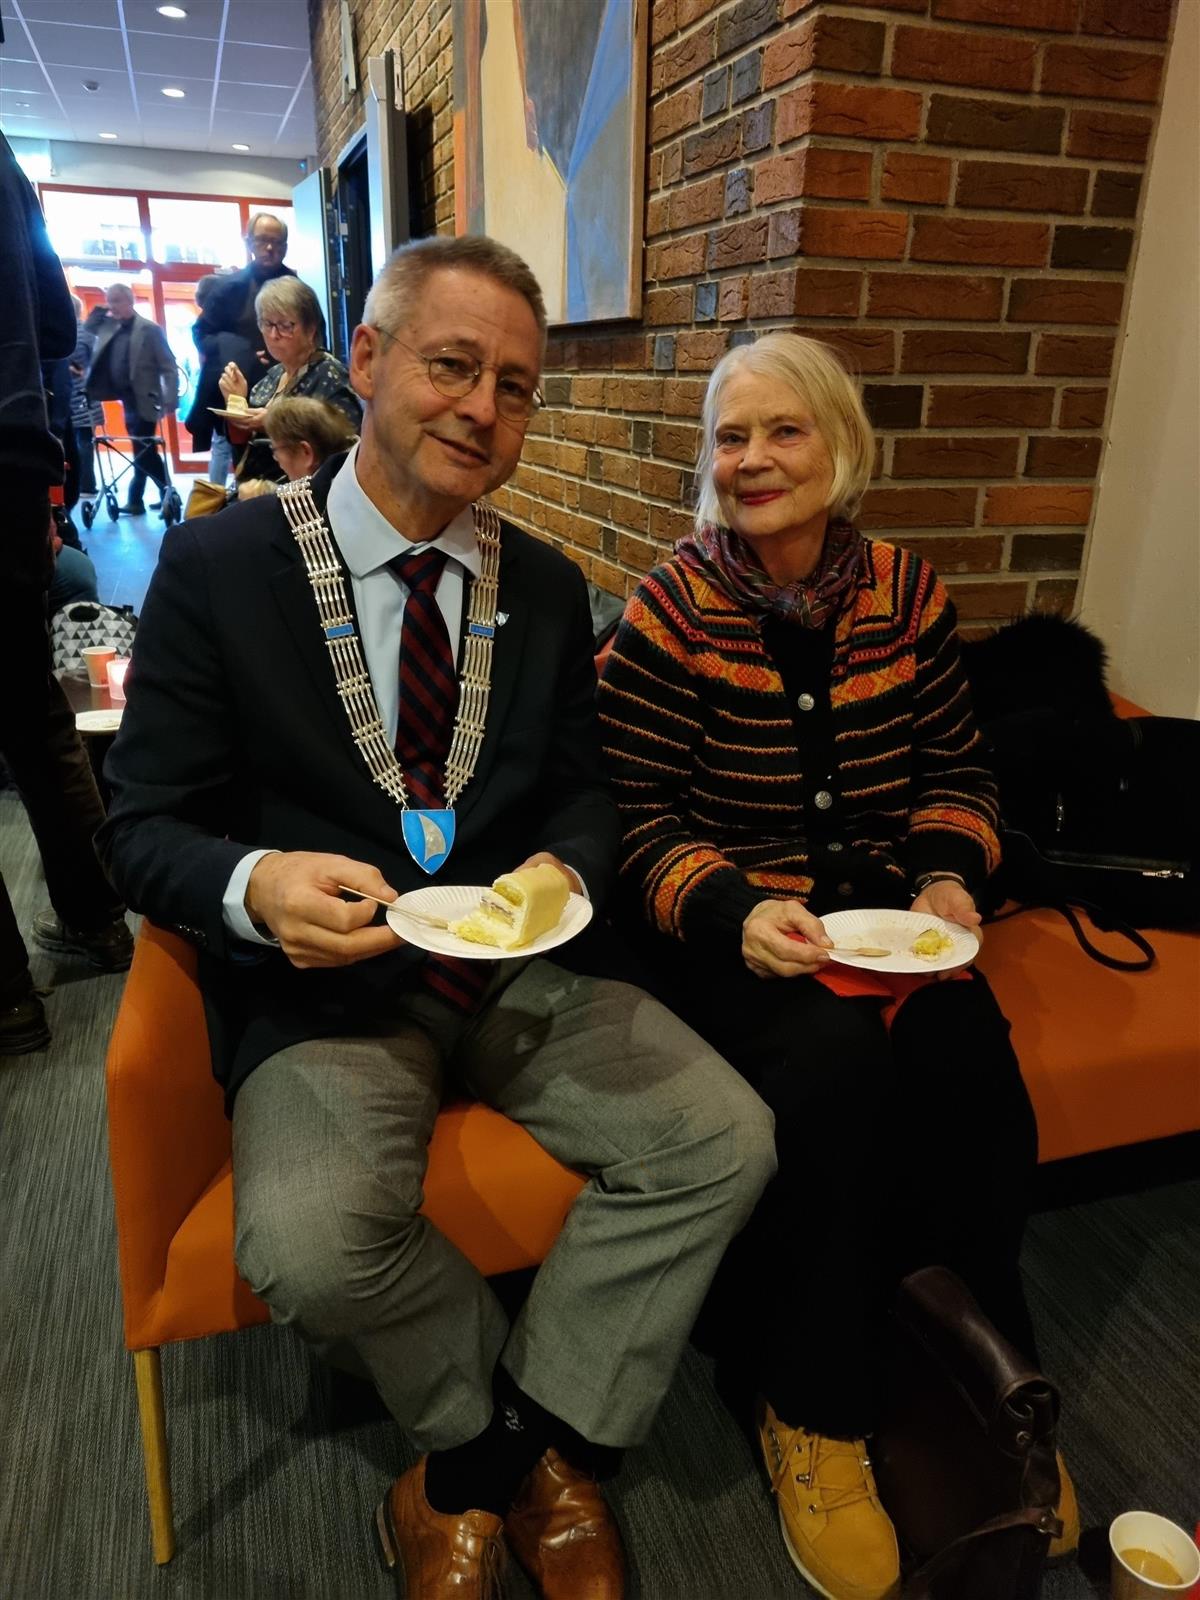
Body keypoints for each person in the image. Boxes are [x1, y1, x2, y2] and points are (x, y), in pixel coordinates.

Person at [97, 233, 775, 1599]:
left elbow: (584, 793)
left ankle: (482, 1464)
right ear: (365, 359)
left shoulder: (551, 586)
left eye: (515, 387)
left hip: (519, 971)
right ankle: (512, 1451)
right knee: (307, 1244)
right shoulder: (220, 566)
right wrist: (256, 885)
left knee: (725, 1137)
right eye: (453, 366)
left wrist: (566, 876)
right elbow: (141, 825)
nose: (482, 408)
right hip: (327, 987)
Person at [598, 333, 1074, 1600]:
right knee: (831, 1073)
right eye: (730, 436)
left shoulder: (906, 592)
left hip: (882, 926)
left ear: (842, 443)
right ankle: (807, 1402)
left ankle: (985, 1384)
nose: (752, 459)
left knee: (971, 1065)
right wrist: (733, 906)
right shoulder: (671, 608)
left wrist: (948, 874)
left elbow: (957, 770)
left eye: (783, 430)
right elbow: (630, 817)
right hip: (727, 934)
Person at [0, 131, 132, 1055]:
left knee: (45, 715)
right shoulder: (5, 165)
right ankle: (98, 919)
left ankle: (9, 996)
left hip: (18, 464)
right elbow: (54, 324)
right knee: (40, 717)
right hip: (11, 466)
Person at [218, 276, 359, 484]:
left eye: (285, 326)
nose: (273, 335)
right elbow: (245, 447)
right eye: (267, 323)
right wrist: (236, 403)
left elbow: (342, 453)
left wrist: (273, 424)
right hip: (252, 488)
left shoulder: (332, 376)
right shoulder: (270, 378)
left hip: (302, 495)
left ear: (311, 329)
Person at [84, 283, 178, 516]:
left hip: (146, 399)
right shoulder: (110, 327)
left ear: (130, 300)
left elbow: (168, 365)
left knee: (143, 449)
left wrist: (170, 398)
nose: (112, 305)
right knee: (143, 450)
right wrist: (102, 309)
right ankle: (157, 494)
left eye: (116, 300)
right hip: (125, 399)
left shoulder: (149, 329)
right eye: (109, 300)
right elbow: (88, 328)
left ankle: (147, 497)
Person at [185, 272, 252, 487]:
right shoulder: (223, 326)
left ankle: (217, 493)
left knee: (222, 444)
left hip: (216, 388)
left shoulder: (204, 326)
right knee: (228, 443)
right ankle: (226, 492)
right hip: (229, 387)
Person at [236, 395, 360, 498]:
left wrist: (260, 502)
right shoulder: (351, 473)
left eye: (275, 450)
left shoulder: (331, 502)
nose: (275, 458)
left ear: (305, 452)